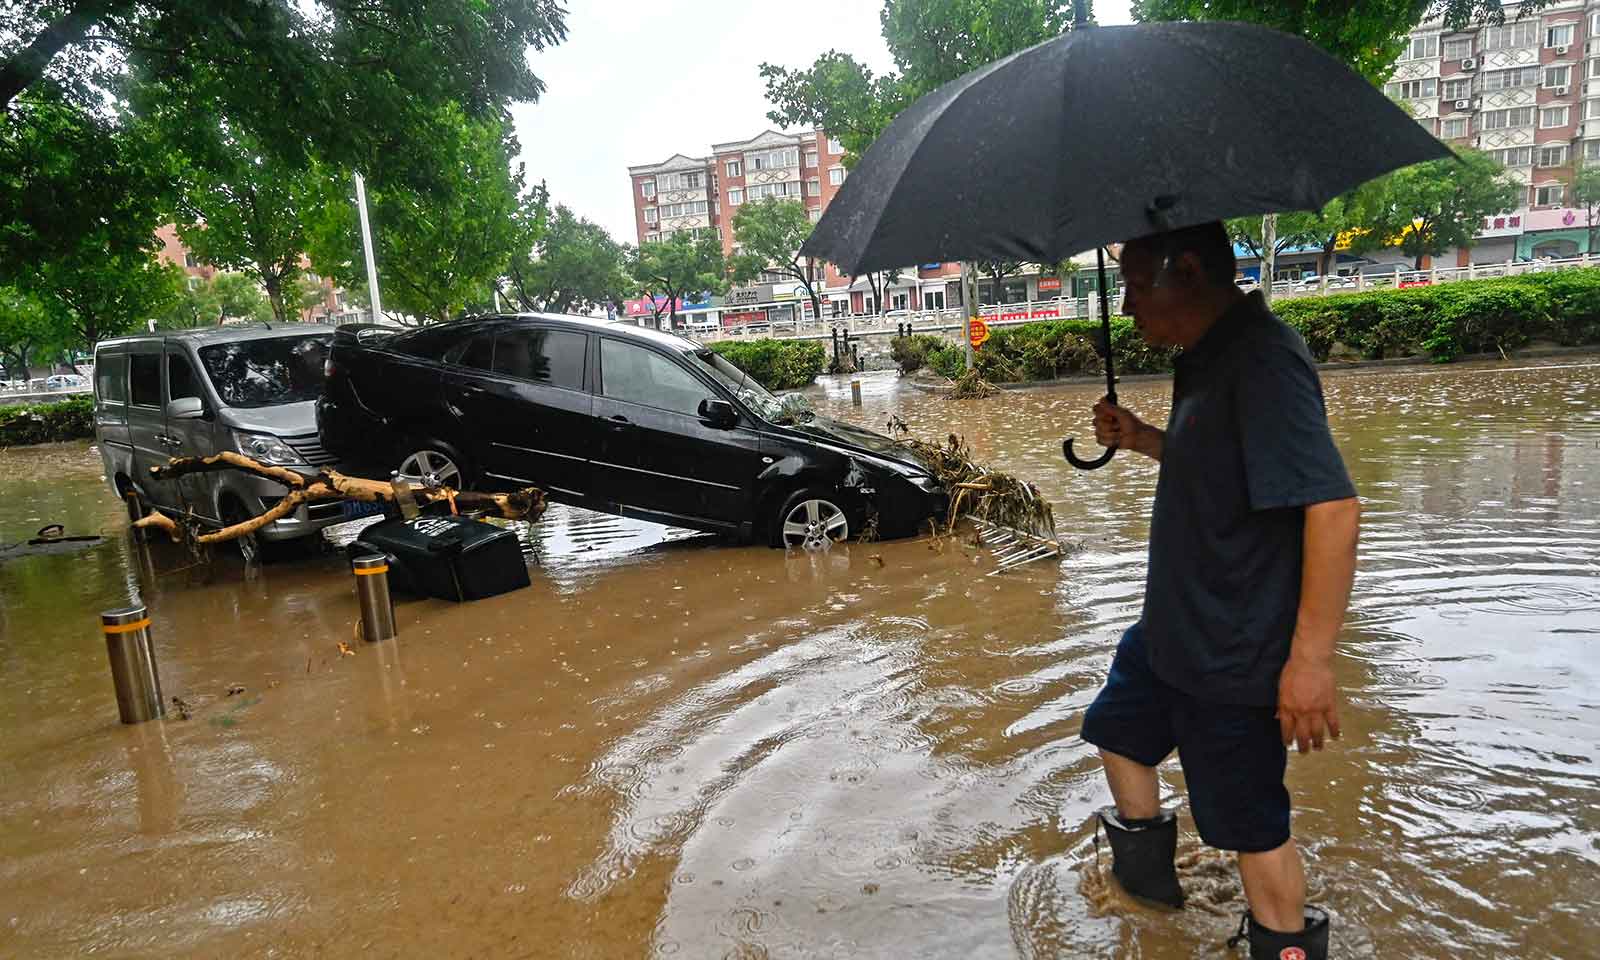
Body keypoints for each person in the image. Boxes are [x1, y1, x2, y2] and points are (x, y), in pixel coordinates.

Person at [1078, 221, 1361, 960]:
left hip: (1233, 649)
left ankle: (1283, 944)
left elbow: (1331, 506)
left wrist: (1310, 662)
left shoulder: (1264, 360)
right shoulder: (1203, 359)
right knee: (1118, 731)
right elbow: (1220, 465)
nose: (1130, 307)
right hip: (1171, 629)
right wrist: (1142, 438)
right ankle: (1149, 908)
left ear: (1191, 272)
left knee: (1249, 827)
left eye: (1139, 285)